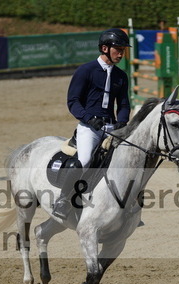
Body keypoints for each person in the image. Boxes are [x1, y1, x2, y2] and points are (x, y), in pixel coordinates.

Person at [52, 28, 132, 220]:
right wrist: (88, 118)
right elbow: (73, 101)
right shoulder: (85, 71)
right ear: (105, 48)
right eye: (118, 49)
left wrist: (122, 122)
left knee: (127, 161)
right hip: (90, 128)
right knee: (86, 160)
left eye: (123, 50)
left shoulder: (121, 76)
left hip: (112, 128)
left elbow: (123, 104)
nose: (121, 54)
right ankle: (63, 200)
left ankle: (127, 205)